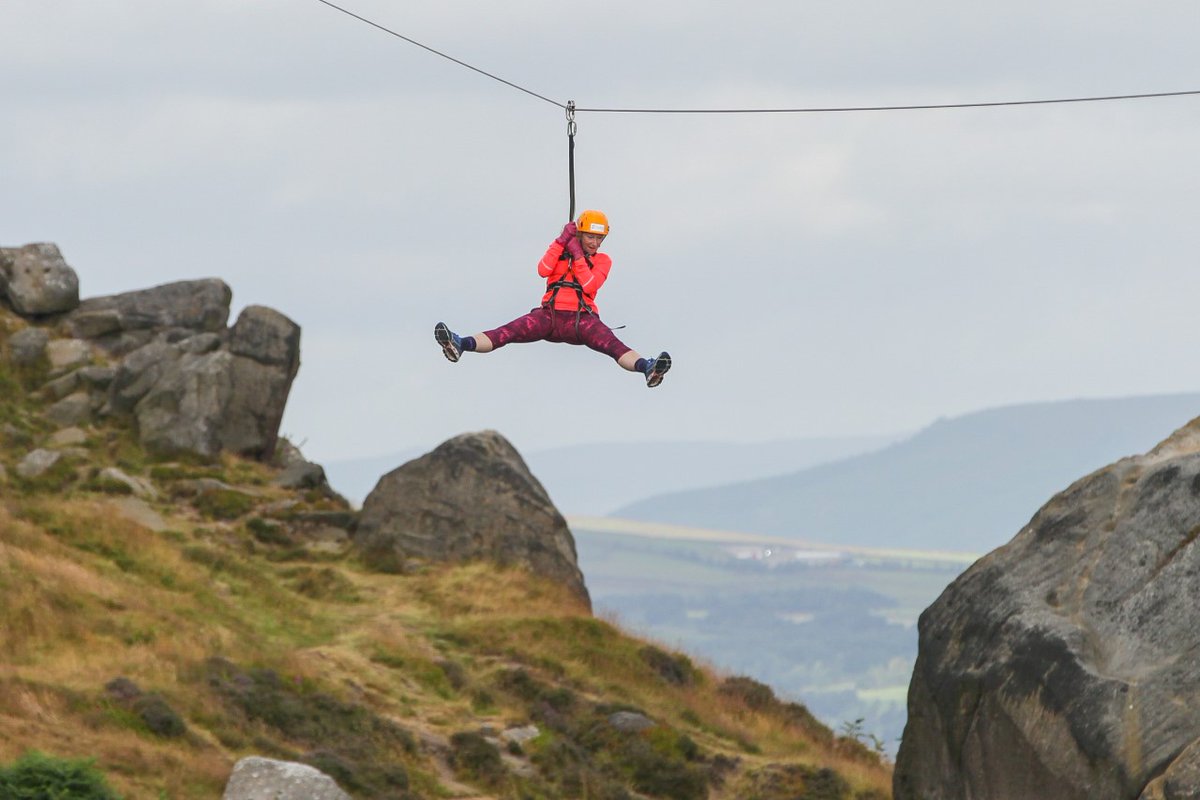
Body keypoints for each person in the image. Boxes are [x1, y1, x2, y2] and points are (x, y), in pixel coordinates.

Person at [434, 209, 672, 388]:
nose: (595, 243)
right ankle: (459, 344)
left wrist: (578, 255)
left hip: (582, 320)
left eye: (599, 239)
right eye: (590, 237)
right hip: (549, 315)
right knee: (507, 332)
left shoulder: (603, 260)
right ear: (580, 233)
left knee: (614, 346)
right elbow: (542, 269)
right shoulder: (561, 251)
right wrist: (560, 242)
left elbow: (590, 284)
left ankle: (648, 369)